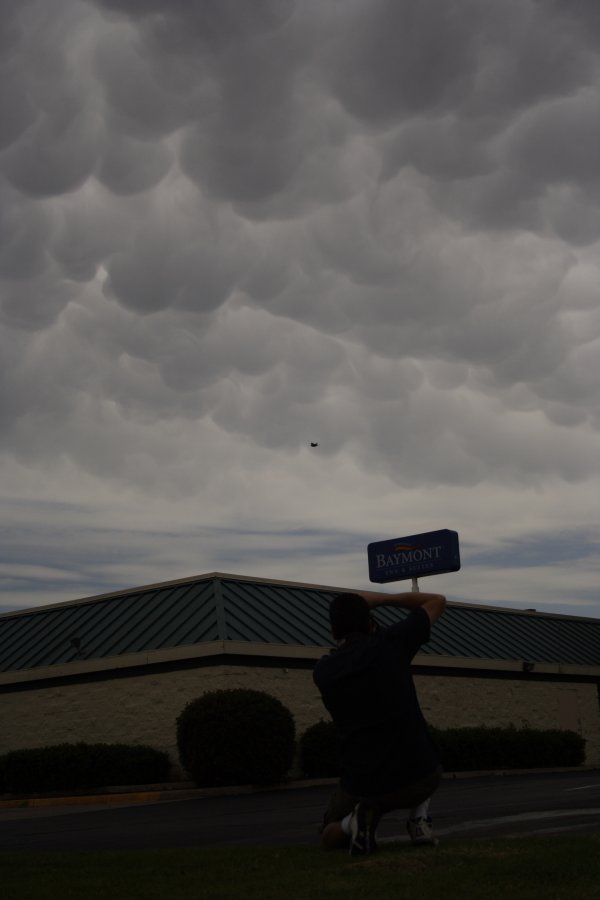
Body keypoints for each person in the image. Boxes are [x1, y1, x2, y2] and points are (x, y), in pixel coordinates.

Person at [313, 587, 447, 855]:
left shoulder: (324, 671)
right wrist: (384, 599)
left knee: (329, 835)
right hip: (417, 776)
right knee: (423, 742)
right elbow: (437, 601)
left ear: (333, 632)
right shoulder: (392, 644)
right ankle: (419, 819)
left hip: (361, 784)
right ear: (370, 622)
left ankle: (353, 823)